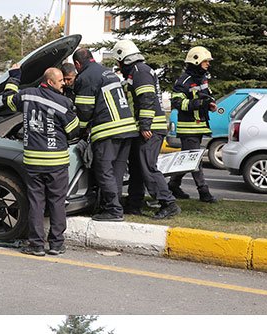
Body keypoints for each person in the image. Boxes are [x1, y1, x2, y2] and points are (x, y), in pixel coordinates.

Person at [2, 66, 80, 257]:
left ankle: (36, 245)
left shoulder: (27, 95)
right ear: (50, 82)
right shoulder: (63, 103)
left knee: (36, 203)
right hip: (57, 163)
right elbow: (74, 130)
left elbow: (8, 100)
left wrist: (15, 77)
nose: (63, 84)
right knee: (57, 202)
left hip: (33, 162)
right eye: (60, 81)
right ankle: (56, 244)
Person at [112, 38, 179, 220]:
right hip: (146, 127)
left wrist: (145, 125)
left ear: (123, 58)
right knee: (137, 167)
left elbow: (147, 98)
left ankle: (168, 203)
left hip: (150, 128)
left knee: (147, 167)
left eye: (118, 61)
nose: (118, 66)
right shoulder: (139, 70)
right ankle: (134, 204)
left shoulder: (140, 71)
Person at [73, 47, 140, 222]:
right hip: (127, 128)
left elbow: (84, 110)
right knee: (116, 171)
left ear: (77, 64)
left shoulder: (86, 77)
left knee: (104, 170)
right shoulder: (108, 73)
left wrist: (77, 131)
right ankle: (113, 205)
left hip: (108, 130)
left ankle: (113, 210)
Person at [169, 46, 219, 203]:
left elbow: (206, 96)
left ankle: (172, 185)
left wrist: (209, 104)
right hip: (188, 128)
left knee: (187, 159)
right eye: (206, 61)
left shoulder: (202, 78)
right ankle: (204, 192)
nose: (208, 64)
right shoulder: (183, 81)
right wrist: (198, 104)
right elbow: (177, 102)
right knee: (195, 159)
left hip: (199, 126)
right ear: (196, 61)